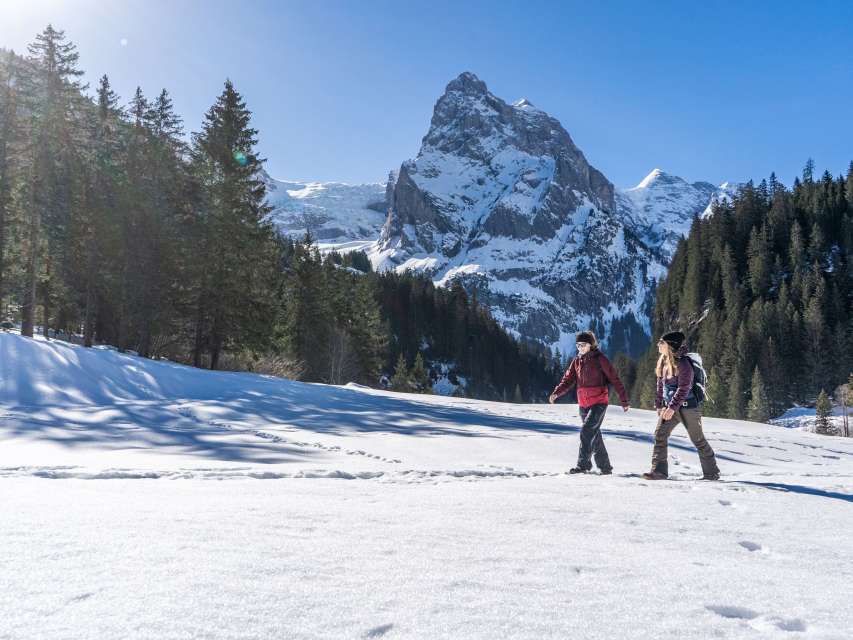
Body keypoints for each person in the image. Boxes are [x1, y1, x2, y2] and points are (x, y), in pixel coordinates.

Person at [549, 331, 630, 474]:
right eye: (578, 345)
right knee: (594, 435)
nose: (580, 347)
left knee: (587, 431)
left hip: (599, 402)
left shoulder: (600, 359)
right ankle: (605, 468)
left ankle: (583, 465)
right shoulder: (577, 361)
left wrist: (624, 400)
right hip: (583, 404)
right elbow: (567, 380)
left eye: (583, 345)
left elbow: (614, 378)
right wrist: (557, 392)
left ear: (591, 345)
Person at [643, 331, 720, 481]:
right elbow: (660, 385)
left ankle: (712, 473)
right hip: (671, 408)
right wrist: (659, 404)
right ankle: (659, 471)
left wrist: (671, 407)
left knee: (698, 440)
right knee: (660, 434)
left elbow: (684, 387)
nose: (658, 344)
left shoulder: (684, 363)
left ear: (671, 345)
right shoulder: (664, 361)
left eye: (662, 342)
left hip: (688, 408)